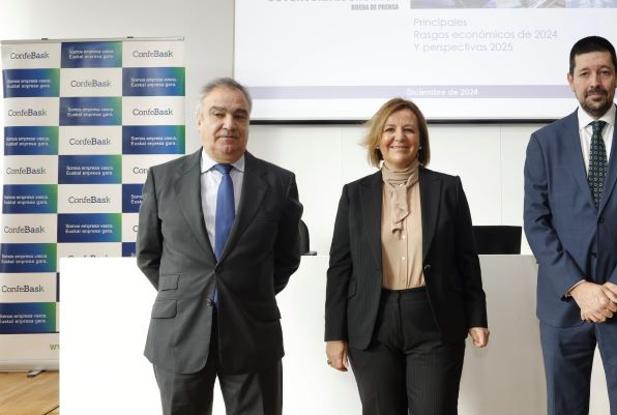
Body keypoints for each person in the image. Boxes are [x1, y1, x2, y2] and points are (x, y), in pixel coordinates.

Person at [523, 36, 617, 415]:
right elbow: (536, 223)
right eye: (586, 73)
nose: (595, 81)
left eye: (604, 72)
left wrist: (614, 288)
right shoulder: (544, 143)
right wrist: (579, 289)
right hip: (563, 305)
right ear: (570, 79)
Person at [136, 77, 303, 415]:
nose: (230, 124)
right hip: (179, 335)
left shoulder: (279, 182)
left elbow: (287, 257)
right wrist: (188, 293)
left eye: (240, 116)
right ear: (200, 121)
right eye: (218, 114)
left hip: (253, 333)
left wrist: (246, 290)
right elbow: (149, 255)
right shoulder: (162, 179)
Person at [325, 97, 489, 415]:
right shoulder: (354, 194)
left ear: (420, 140)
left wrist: (477, 317)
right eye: (390, 129)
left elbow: (467, 258)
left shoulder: (448, 189)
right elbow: (340, 268)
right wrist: (334, 334)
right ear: (378, 140)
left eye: (409, 130)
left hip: (435, 318)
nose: (399, 137)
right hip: (372, 323)